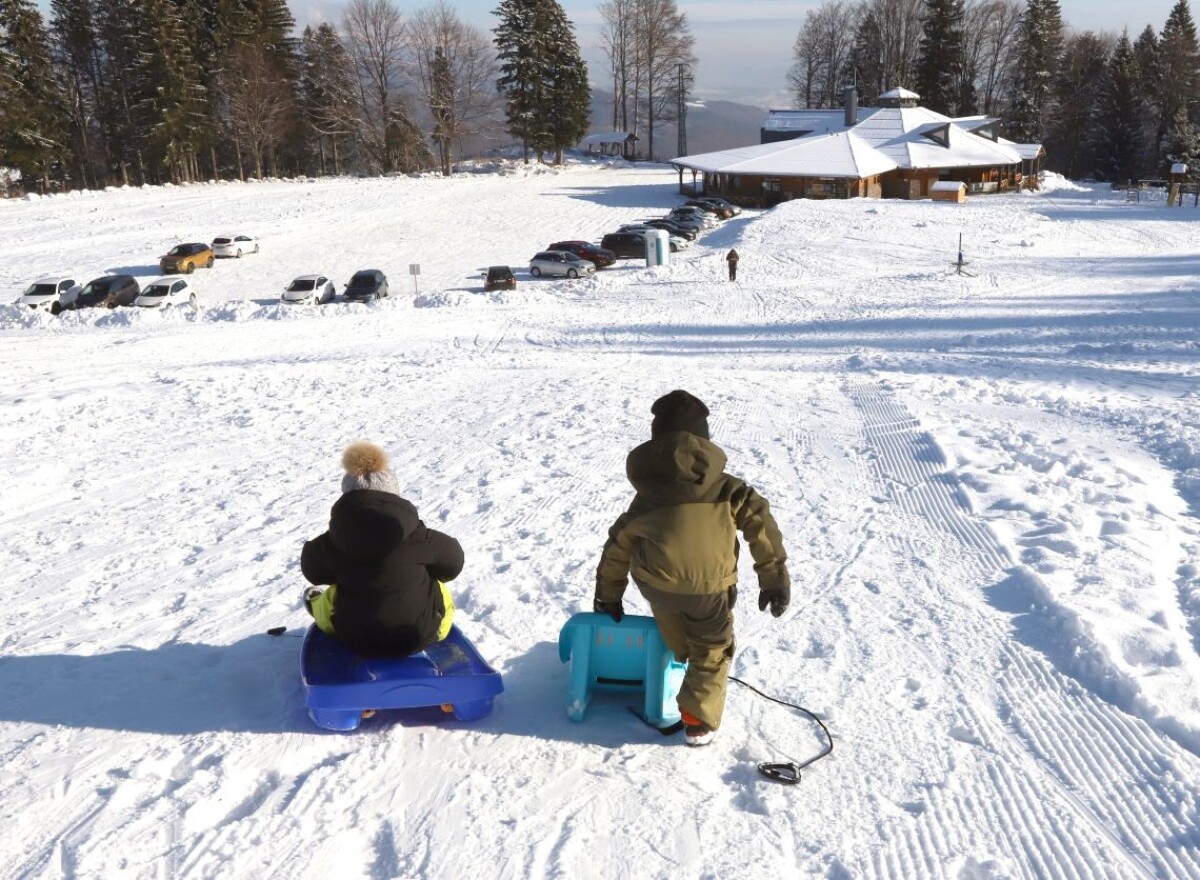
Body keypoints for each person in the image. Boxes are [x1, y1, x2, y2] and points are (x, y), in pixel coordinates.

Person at [593, 390, 790, 746]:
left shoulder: (646, 499)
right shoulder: (729, 489)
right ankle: (696, 719)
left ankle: (679, 659)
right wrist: (773, 579)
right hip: (710, 590)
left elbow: (618, 546)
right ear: (704, 441)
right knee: (712, 647)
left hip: (659, 586)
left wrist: (608, 594)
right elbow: (760, 527)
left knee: (679, 633)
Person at [301, 441, 464, 658]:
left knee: (334, 594)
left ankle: (316, 604)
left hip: (354, 637)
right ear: (394, 496)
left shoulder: (336, 539)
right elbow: (454, 563)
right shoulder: (419, 536)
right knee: (437, 585)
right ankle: (439, 625)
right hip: (418, 635)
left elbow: (312, 570)